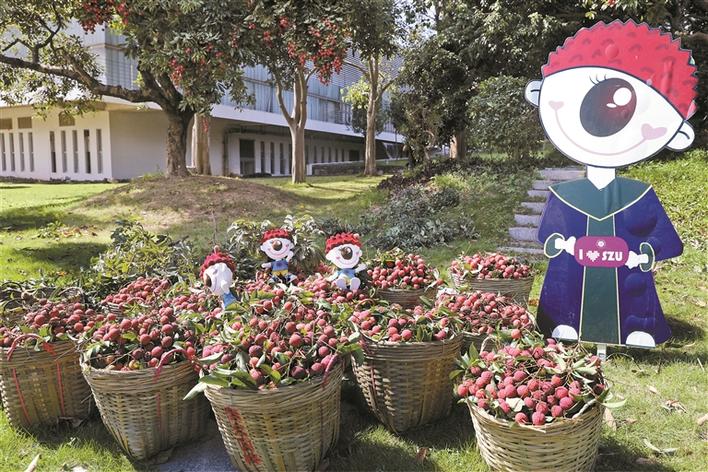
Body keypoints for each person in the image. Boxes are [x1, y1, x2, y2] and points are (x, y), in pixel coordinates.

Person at [525, 20, 697, 347]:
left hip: (629, 281)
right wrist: (560, 242)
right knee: (567, 279)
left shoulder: (638, 195)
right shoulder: (565, 195)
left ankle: (636, 327)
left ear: (678, 134)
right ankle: (563, 321)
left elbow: (663, 239)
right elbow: (549, 235)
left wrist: (646, 252)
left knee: (632, 289)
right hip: (571, 282)